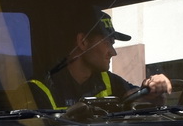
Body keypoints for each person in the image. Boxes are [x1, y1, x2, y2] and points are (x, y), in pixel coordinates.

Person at [31, 9, 171, 109]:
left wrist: (154, 88)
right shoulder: (40, 88)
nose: (113, 52)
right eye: (107, 42)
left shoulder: (108, 80)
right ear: (83, 42)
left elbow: (137, 96)